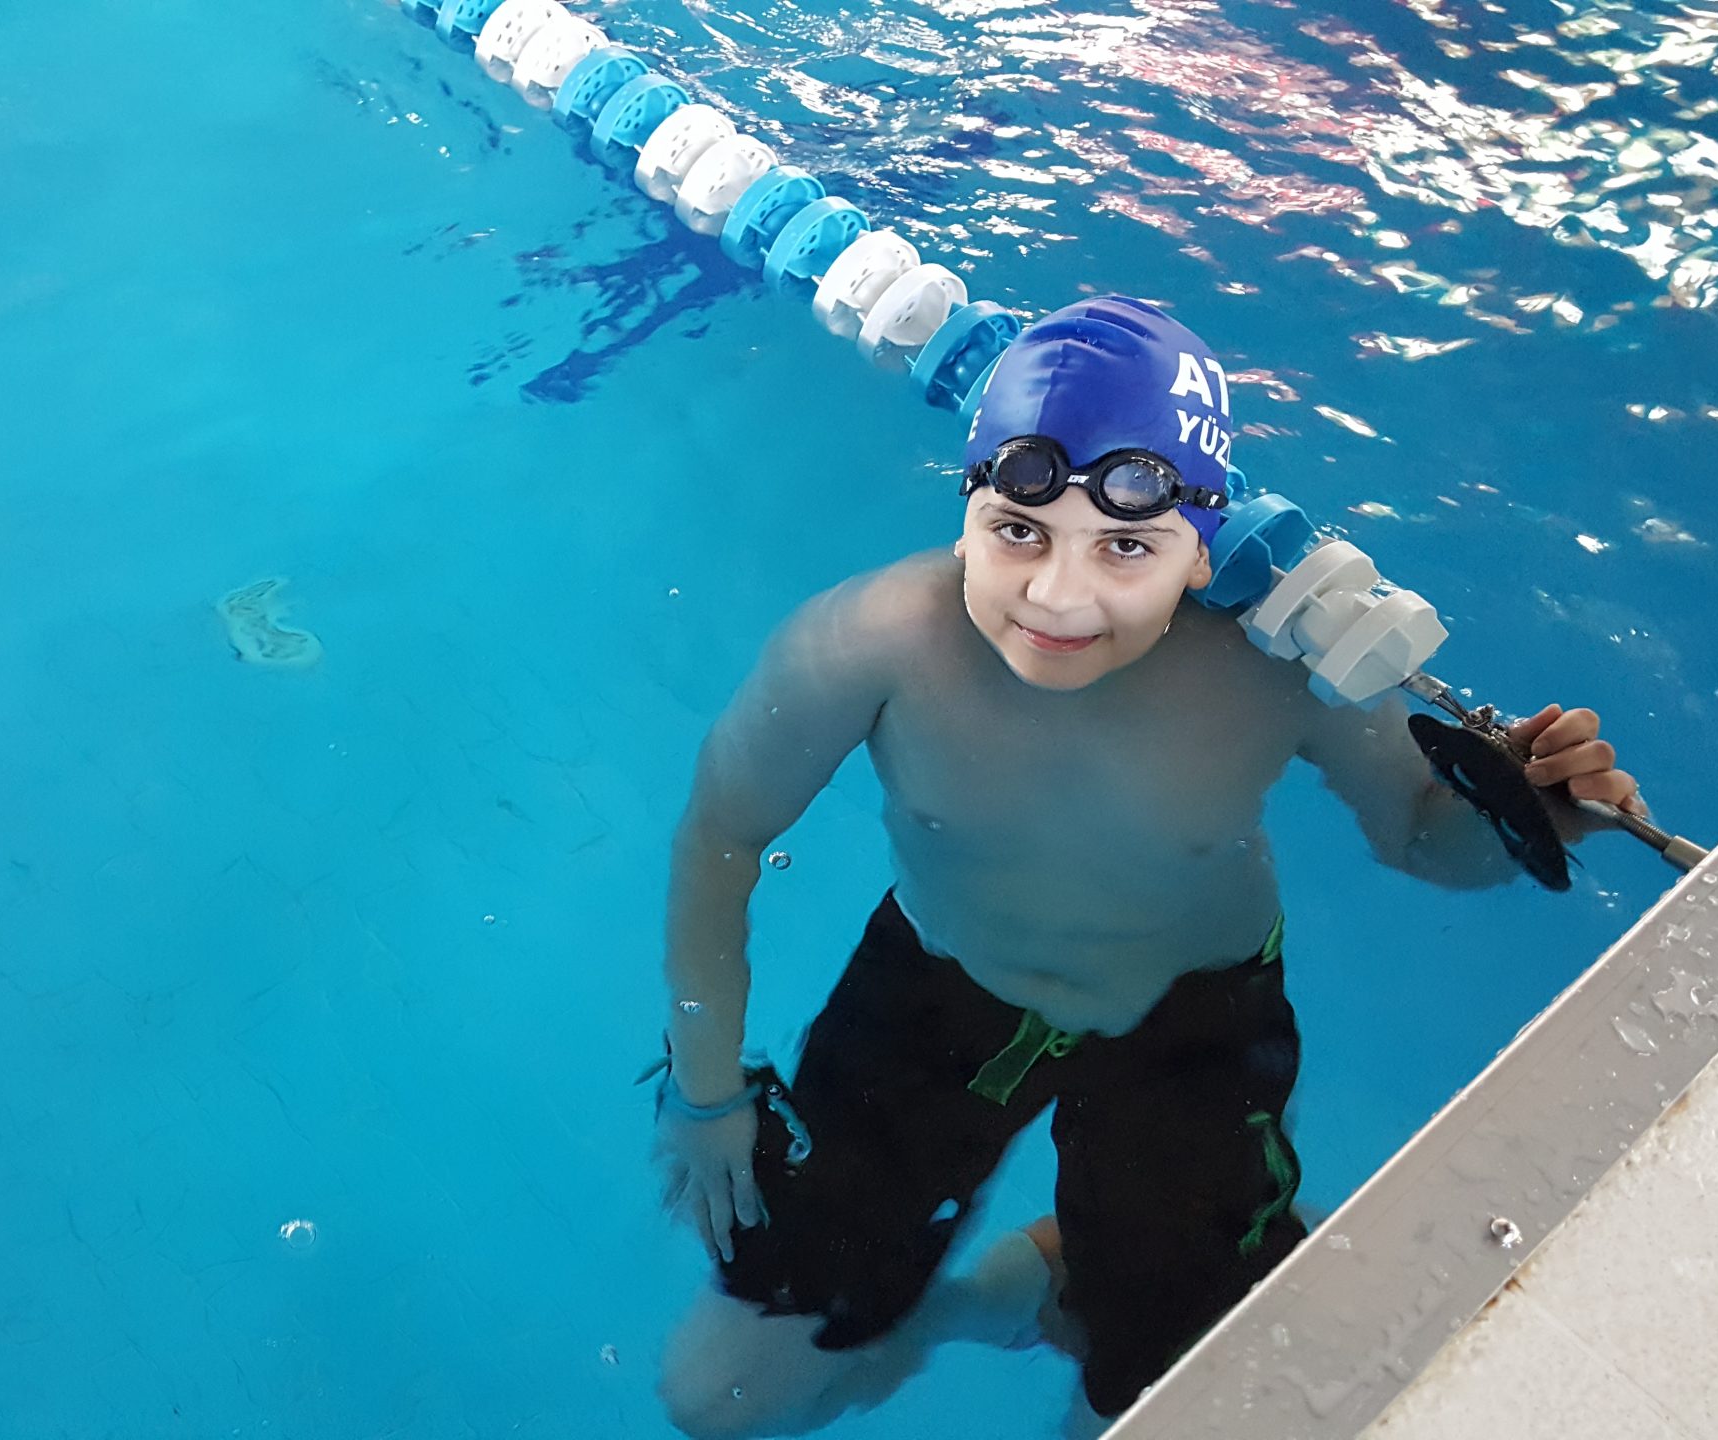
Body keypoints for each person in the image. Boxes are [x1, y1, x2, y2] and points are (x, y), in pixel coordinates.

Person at [646, 297, 1647, 1439]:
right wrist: (705, 1093)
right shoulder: (871, 642)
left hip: (1190, 1023)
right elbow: (719, 835)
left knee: (1157, 1409)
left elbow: (1421, 840)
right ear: (967, 506)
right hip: (939, 986)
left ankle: (1101, 1265)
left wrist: (1541, 819)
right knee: (722, 1400)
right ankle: (1056, 1280)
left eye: (1125, 547)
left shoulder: (1274, 669)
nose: (1058, 596)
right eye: (1018, 531)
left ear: (1203, 546)